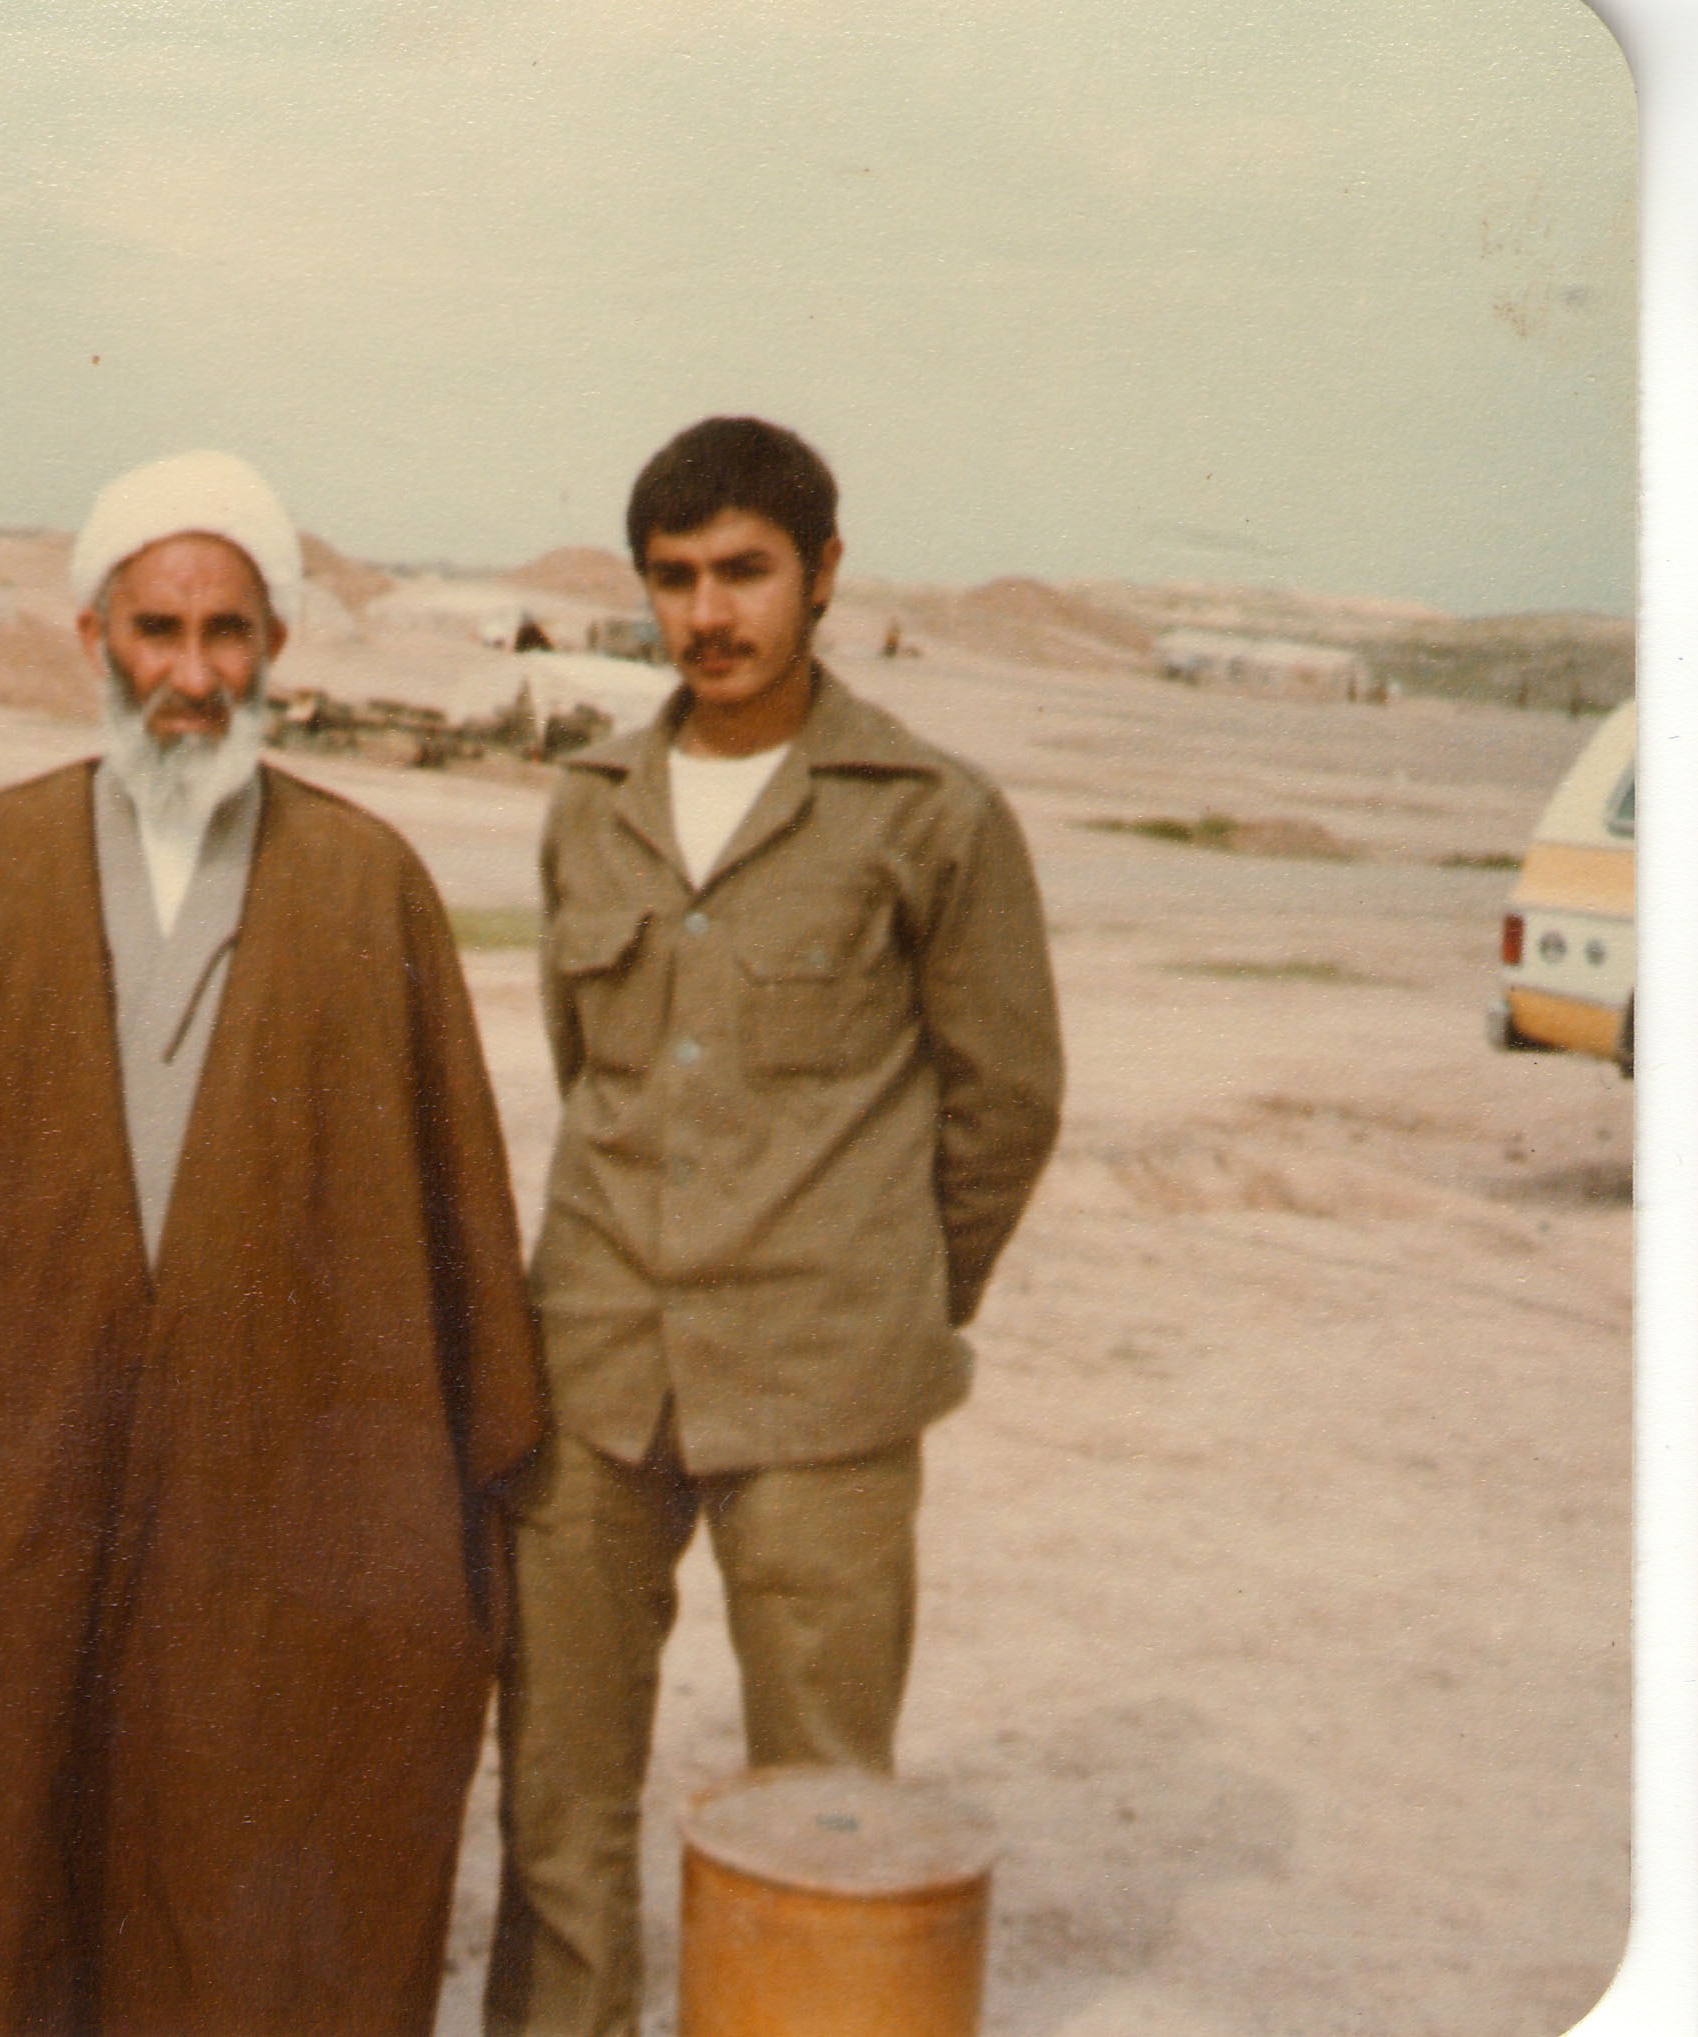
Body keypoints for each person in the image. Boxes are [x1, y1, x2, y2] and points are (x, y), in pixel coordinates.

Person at [0, 450, 547, 2036]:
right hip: (13, 1489)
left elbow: (454, 1241)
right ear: (93, 639)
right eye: (156, 630)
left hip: (272, 1507)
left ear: (274, 646)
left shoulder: (368, 886)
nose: (190, 675)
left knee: (250, 1885)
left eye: (225, 634)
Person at [486, 415, 1065, 2037]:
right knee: (555, 1788)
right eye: (672, 578)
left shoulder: (927, 813)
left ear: (821, 574)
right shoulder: (590, 804)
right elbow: (589, 1069)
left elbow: (1005, 1100)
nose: (706, 613)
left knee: (823, 1811)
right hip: (596, 1369)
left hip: (823, 1388)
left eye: (742, 571)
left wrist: (887, 1290)